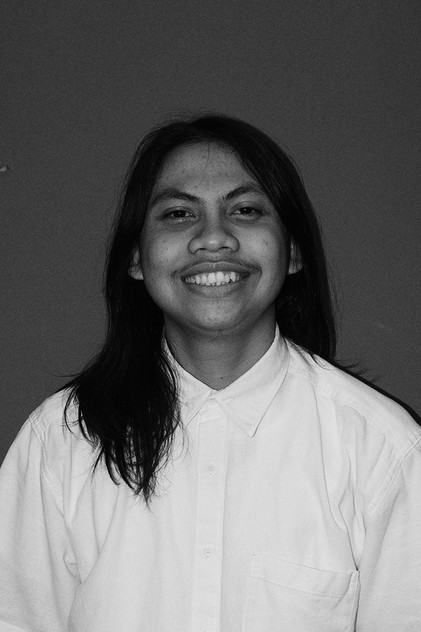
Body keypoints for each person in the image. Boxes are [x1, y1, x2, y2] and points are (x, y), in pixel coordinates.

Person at [0, 114, 420, 632]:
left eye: (245, 210)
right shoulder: (61, 442)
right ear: (136, 257)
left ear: (292, 251)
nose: (213, 238)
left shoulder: (382, 451)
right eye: (179, 214)